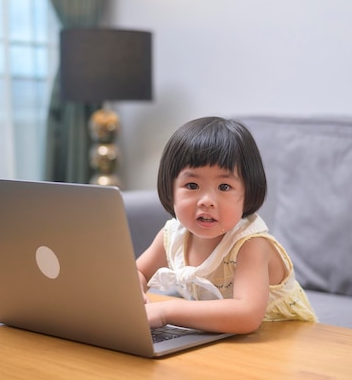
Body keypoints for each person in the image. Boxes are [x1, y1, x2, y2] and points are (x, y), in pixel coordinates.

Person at [136, 116, 317, 334]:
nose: (207, 200)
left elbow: (247, 315)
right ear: (169, 188)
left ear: (248, 192)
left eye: (224, 186)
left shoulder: (251, 244)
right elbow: (138, 271)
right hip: (218, 337)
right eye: (192, 185)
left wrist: (168, 311)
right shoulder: (172, 236)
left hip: (279, 340)